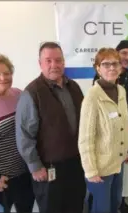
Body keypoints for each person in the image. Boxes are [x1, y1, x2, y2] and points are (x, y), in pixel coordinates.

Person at [15, 42, 86, 213]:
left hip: (75, 164)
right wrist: (35, 165)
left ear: (63, 62)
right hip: (48, 167)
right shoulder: (32, 93)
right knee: (52, 208)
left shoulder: (74, 87)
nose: (54, 65)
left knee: (76, 205)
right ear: (40, 64)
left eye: (58, 60)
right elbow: (24, 135)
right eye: (48, 61)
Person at [92, 40, 128, 213]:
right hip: (108, 130)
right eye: (124, 53)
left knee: (126, 167)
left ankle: (121, 201)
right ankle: (107, 203)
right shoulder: (102, 78)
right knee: (109, 167)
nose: (127, 57)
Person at [78, 47, 128, 213]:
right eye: (106, 64)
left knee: (115, 204)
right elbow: (85, 138)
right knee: (102, 209)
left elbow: (123, 125)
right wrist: (91, 171)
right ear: (98, 68)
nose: (112, 68)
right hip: (100, 167)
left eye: (115, 63)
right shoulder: (92, 97)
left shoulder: (121, 90)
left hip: (118, 162)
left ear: (121, 68)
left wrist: (127, 149)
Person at [0, 54, 34, 212]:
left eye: (7, 73)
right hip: (0, 180)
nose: (3, 78)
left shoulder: (18, 94)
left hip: (24, 175)